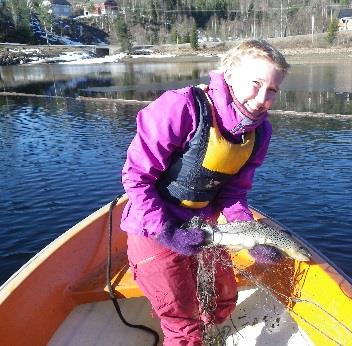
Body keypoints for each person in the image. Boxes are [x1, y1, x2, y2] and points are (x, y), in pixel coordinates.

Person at [120, 39, 290, 345]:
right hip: (153, 230)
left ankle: (210, 333)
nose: (263, 98)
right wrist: (166, 232)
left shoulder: (260, 133)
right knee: (183, 325)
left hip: (205, 231)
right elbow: (136, 178)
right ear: (229, 75)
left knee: (224, 299)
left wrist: (250, 235)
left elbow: (233, 193)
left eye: (273, 90)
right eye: (256, 84)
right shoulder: (180, 106)